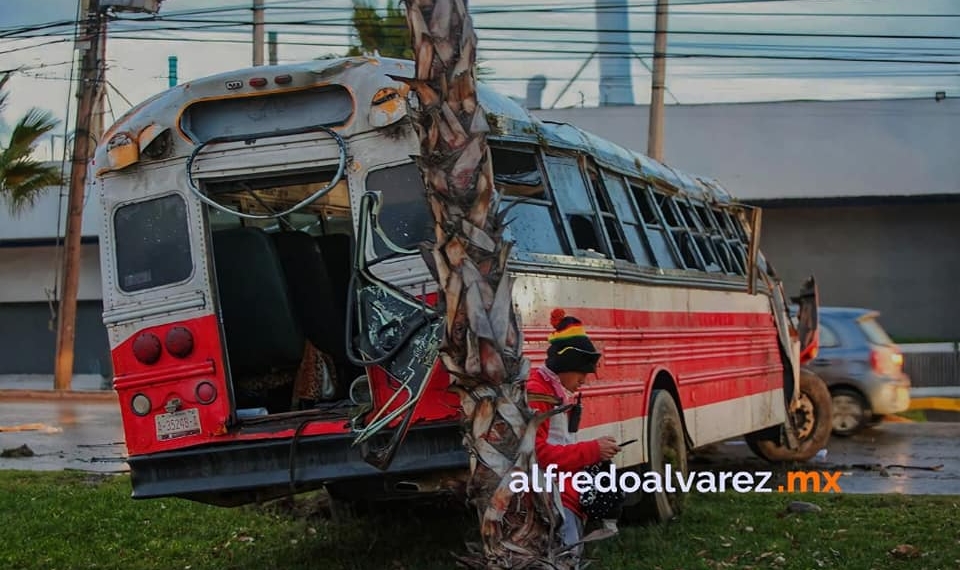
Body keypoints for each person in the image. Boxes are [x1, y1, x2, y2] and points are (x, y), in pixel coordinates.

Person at [526, 309, 621, 565]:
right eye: (582, 372)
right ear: (566, 365)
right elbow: (539, 455)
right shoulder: (539, 393)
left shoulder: (550, 389)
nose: (584, 380)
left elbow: (558, 444)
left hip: (563, 493)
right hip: (553, 499)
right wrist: (591, 451)